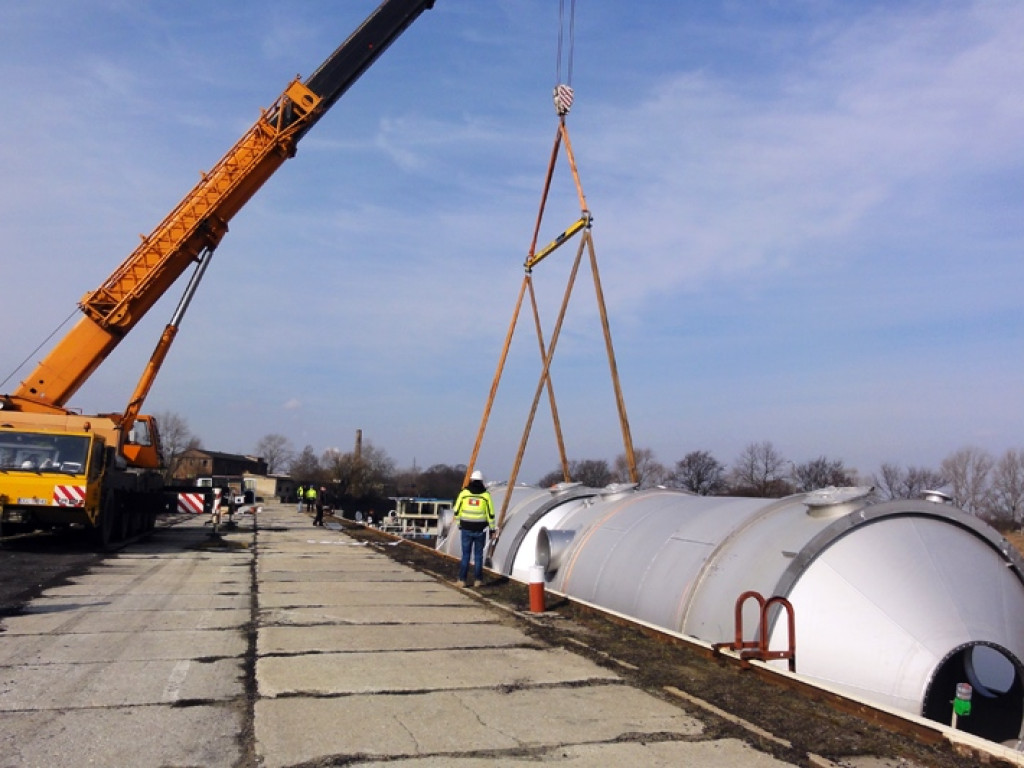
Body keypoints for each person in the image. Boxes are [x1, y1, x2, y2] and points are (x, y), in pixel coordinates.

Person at [453, 470, 495, 587]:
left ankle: (462, 580)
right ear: (481, 481)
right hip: (480, 529)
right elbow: (490, 514)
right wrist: (492, 529)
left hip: (466, 527)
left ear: (471, 480)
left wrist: (459, 523)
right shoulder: (486, 495)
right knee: (478, 555)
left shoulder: (464, 493)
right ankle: (478, 580)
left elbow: (456, 509)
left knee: (465, 555)